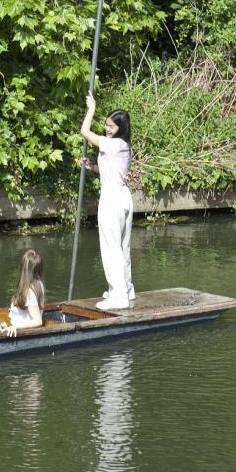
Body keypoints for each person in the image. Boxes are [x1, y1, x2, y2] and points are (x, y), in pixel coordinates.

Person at [80, 95, 136, 310]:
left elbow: (85, 132)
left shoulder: (114, 144)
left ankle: (118, 297)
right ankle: (125, 290)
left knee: (111, 247)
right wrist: (91, 166)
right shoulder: (121, 146)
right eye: (105, 125)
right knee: (122, 246)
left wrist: (91, 109)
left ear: (121, 128)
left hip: (113, 199)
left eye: (111, 126)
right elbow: (108, 171)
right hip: (121, 196)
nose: (106, 128)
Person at [0, 249, 46, 336]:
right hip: (13, 324)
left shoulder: (29, 292)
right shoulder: (39, 284)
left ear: (24, 268)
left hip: (18, 330)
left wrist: (16, 327)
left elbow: (38, 321)